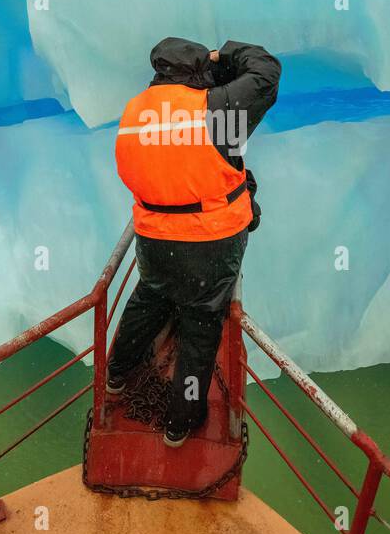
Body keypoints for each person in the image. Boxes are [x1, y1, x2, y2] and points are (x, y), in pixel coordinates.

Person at [109, 37, 281, 447]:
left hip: (154, 237)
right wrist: (226, 54)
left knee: (149, 298)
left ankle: (116, 375)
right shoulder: (216, 110)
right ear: (199, 72)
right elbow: (266, 73)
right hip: (210, 241)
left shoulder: (135, 110)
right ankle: (180, 423)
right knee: (202, 326)